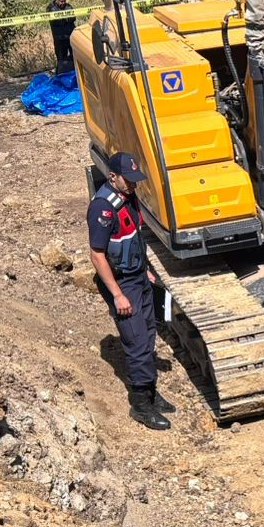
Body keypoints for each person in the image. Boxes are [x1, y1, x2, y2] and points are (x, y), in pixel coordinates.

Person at [86, 151, 170, 431]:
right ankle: (140, 406)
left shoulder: (128, 198)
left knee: (148, 334)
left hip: (138, 277)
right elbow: (97, 255)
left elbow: (133, 238)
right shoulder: (103, 208)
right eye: (129, 179)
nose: (134, 184)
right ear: (113, 177)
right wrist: (118, 295)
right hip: (122, 284)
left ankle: (151, 394)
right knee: (137, 344)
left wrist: (144, 268)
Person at [48, 0, 76, 74]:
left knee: (74, 56)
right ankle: (61, 75)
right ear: (56, 0)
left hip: (70, 36)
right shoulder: (51, 8)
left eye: (64, 1)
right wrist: (65, 20)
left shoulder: (68, 6)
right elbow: (56, 21)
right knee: (61, 59)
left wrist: (64, 20)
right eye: (61, 1)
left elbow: (73, 18)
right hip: (59, 38)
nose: (63, 3)